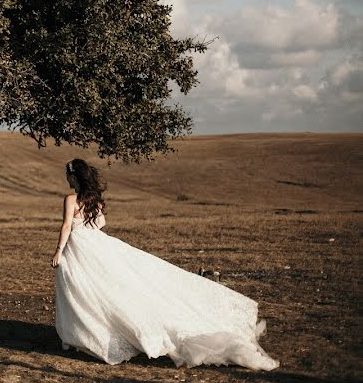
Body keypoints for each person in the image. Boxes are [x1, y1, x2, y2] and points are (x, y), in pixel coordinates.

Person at [53, 158, 278, 370]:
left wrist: (59, 251)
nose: (67, 180)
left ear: (75, 177)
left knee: (87, 290)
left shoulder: (70, 199)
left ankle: (86, 335)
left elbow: (65, 227)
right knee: (109, 288)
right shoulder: (95, 200)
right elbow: (101, 223)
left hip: (80, 247)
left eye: (68, 176)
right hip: (97, 245)